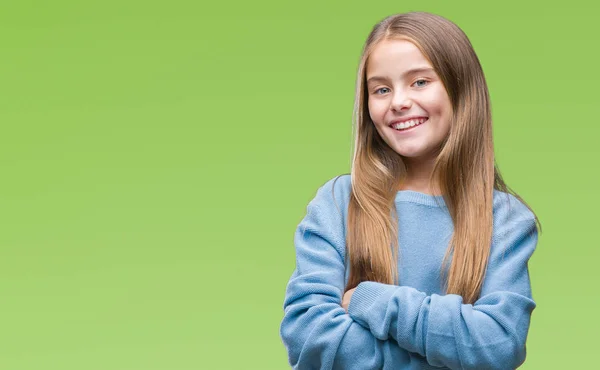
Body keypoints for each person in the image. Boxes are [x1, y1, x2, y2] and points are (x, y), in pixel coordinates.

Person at [279, 11, 542, 370]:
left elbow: (498, 344)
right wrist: (447, 353)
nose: (398, 101)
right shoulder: (338, 203)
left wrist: (371, 300)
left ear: (460, 89)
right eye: (381, 89)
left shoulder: (506, 220)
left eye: (419, 82)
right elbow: (309, 337)